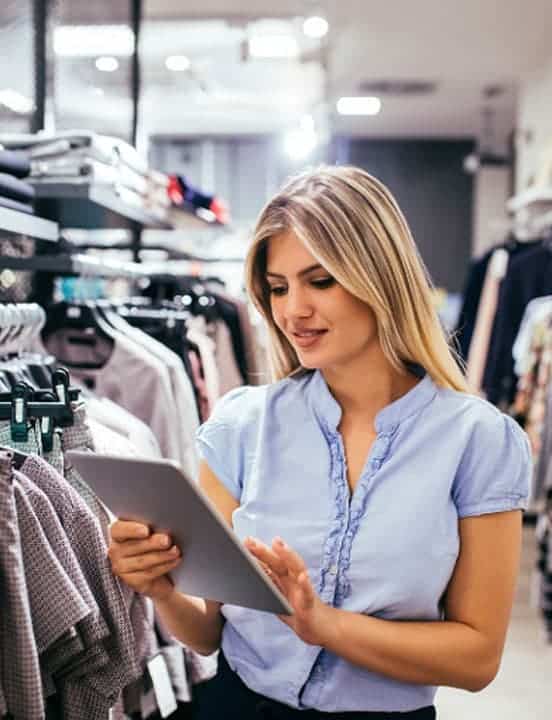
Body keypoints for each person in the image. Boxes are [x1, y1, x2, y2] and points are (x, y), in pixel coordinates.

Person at [108, 165, 531, 719]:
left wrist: (323, 625)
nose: (292, 310)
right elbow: (207, 631)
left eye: (320, 281)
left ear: (379, 275)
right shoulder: (243, 425)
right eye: (278, 288)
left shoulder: (479, 441)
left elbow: (476, 658)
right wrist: (162, 588)